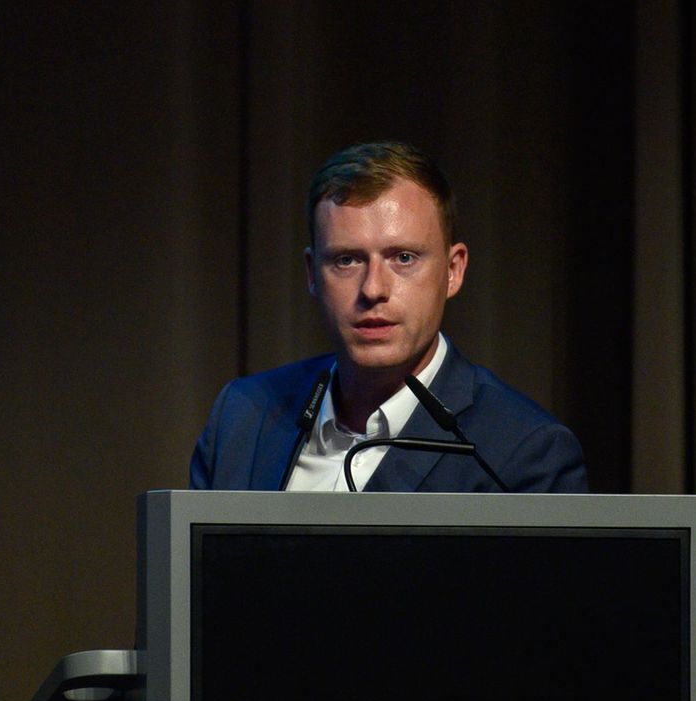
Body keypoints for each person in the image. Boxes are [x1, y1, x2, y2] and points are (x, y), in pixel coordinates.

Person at [190, 141, 588, 493]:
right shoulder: (242, 417)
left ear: (454, 270)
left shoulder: (523, 453)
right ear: (312, 274)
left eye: (403, 258)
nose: (373, 289)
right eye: (346, 260)